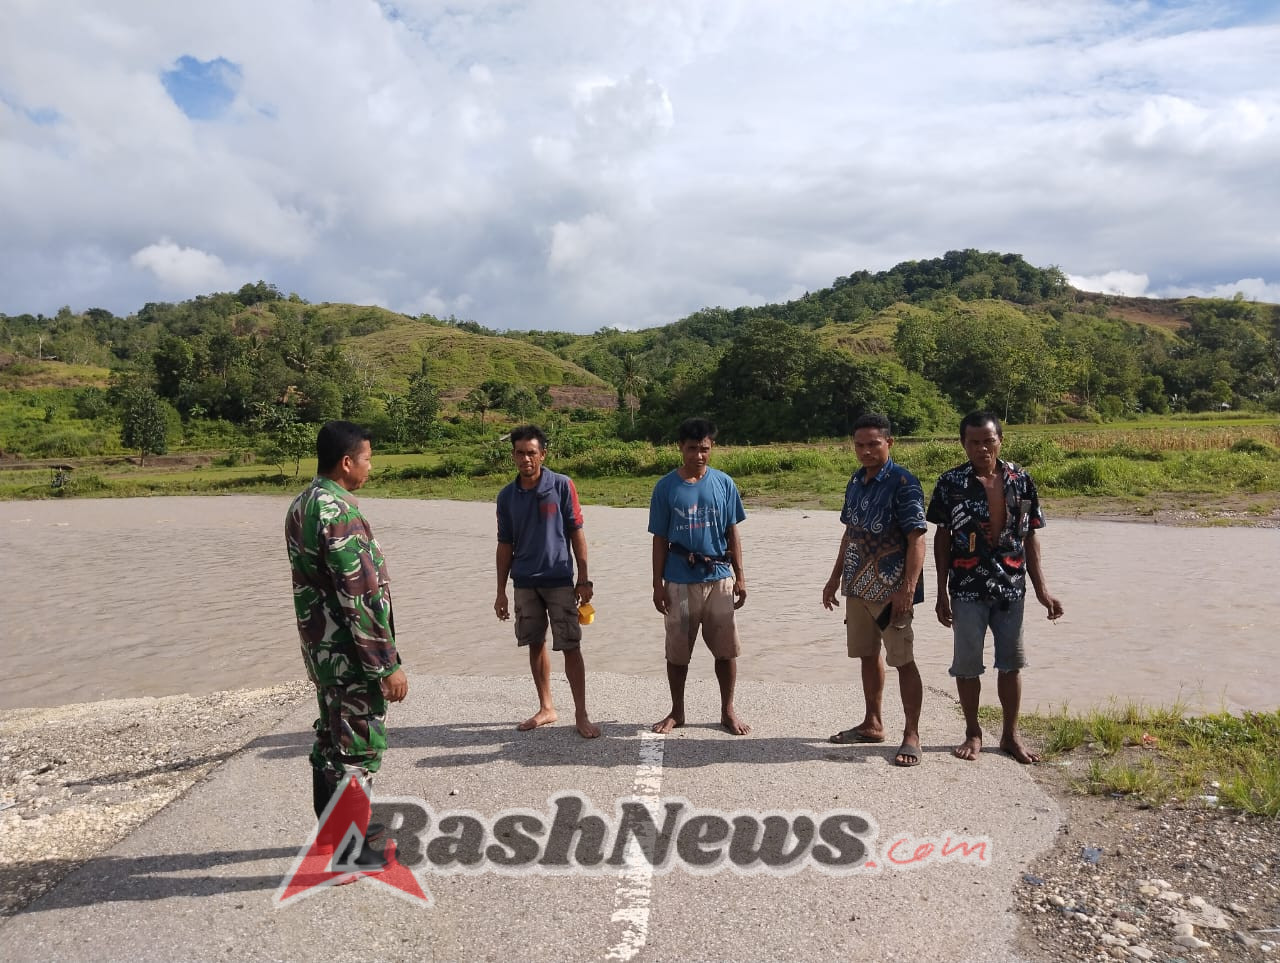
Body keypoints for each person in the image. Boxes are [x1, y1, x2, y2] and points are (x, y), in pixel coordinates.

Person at [285, 420, 408, 871]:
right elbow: (360, 594)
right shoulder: (339, 512)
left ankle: (331, 839)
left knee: (331, 741)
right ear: (346, 462)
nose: (369, 466)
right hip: (352, 655)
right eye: (367, 458)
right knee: (357, 748)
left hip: (323, 651)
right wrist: (385, 664)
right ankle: (350, 853)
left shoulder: (301, 505)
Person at [927, 411, 1064, 764]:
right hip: (967, 587)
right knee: (967, 665)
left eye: (988, 441)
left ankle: (1010, 734)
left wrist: (1042, 590)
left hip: (1011, 587)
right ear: (964, 444)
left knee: (1011, 663)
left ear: (1000, 440)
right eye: (974, 442)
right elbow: (942, 539)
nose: (982, 448)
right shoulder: (950, 483)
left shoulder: (1021, 480)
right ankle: (973, 731)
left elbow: (1030, 535)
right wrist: (941, 591)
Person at [822, 413, 927, 767]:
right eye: (860, 445)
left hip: (890, 589)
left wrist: (907, 589)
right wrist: (835, 577)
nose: (865, 451)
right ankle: (873, 722)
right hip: (857, 585)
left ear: (889, 443)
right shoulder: (856, 480)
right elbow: (850, 532)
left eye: (873, 444)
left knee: (902, 659)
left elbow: (917, 539)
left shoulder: (904, 483)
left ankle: (911, 733)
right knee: (867, 655)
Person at [494, 424, 600, 739]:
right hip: (524, 581)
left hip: (559, 580)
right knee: (534, 642)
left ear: (543, 454)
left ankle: (581, 713)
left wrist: (583, 578)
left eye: (531, 452)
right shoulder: (506, 497)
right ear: (513, 456)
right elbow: (504, 545)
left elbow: (576, 532)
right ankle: (546, 707)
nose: (525, 459)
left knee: (570, 645)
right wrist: (500, 591)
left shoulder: (563, 486)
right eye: (519, 453)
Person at [649, 417, 750, 735]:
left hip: (719, 578)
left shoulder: (724, 483)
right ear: (681, 448)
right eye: (692, 449)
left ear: (712, 448)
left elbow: (732, 532)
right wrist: (657, 584)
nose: (698, 456)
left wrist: (740, 577)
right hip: (678, 581)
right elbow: (659, 539)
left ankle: (727, 710)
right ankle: (677, 711)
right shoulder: (666, 487)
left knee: (726, 649)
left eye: (704, 449)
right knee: (677, 651)